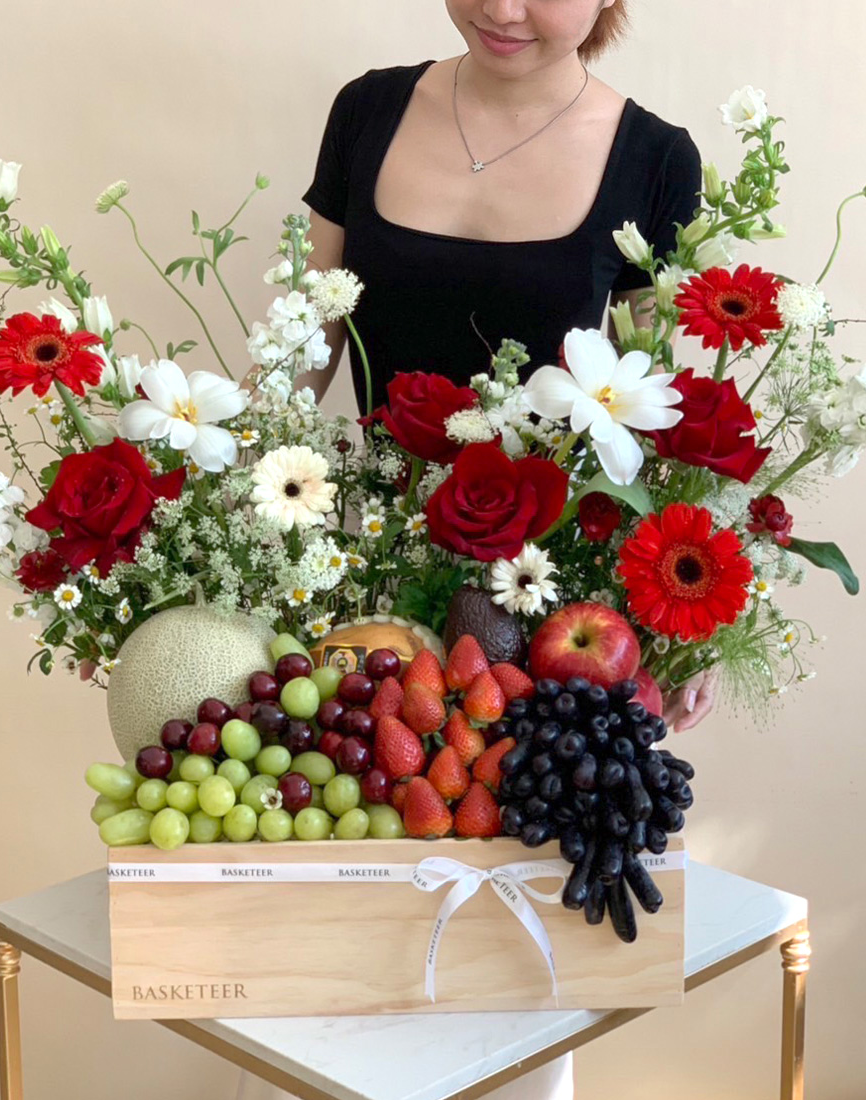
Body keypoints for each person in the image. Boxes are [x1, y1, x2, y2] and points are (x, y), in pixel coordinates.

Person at [237, 6, 706, 1099]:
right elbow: (297, 363)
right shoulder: (369, 110)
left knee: (509, 981)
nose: (504, 6)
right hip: (361, 601)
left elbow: (656, 423)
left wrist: (687, 621)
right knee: (324, 953)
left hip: (549, 621)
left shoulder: (656, 159)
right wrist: (185, 575)